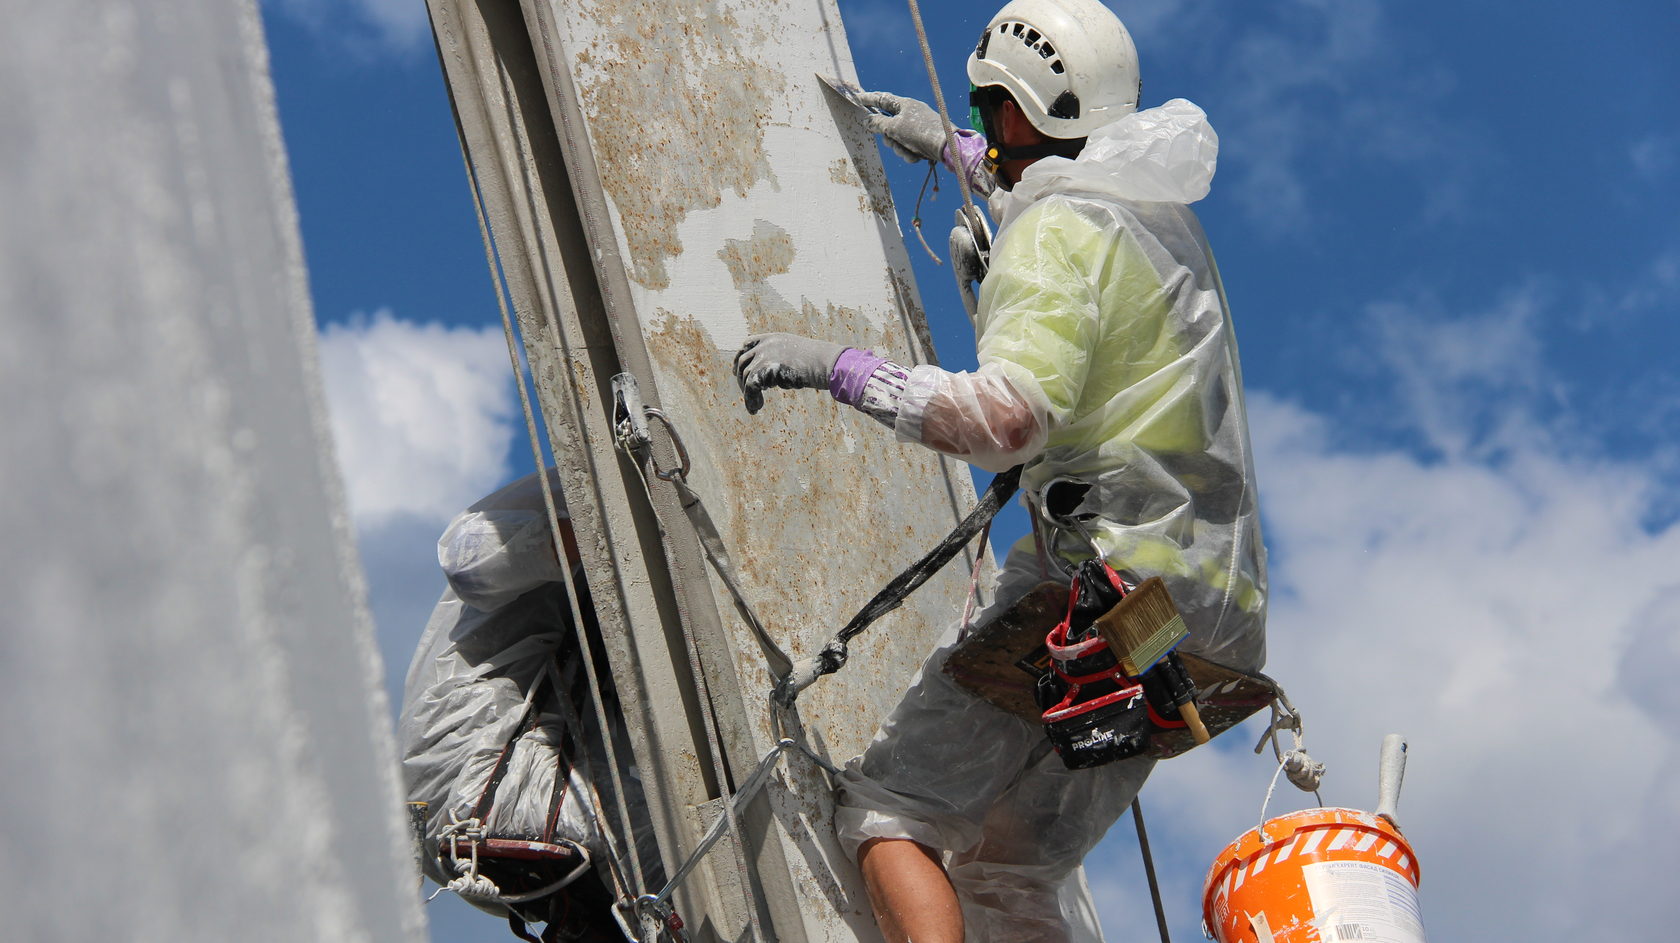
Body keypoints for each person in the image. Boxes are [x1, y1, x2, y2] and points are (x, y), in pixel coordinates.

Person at [732, 1, 1268, 940]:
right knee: (1010, 873)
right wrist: (950, 148)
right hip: (1207, 618)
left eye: (991, 112)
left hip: (1104, 595)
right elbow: (1072, 183)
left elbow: (1004, 420)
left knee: (892, 811)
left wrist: (839, 368)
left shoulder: (1056, 232)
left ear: (1027, 114)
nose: (986, 128)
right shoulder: (1160, 219)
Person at [398, 470, 659, 942]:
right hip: (477, 801)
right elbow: (465, 559)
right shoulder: (594, 477)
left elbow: (467, 558)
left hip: (471, 818)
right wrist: (594, 534)